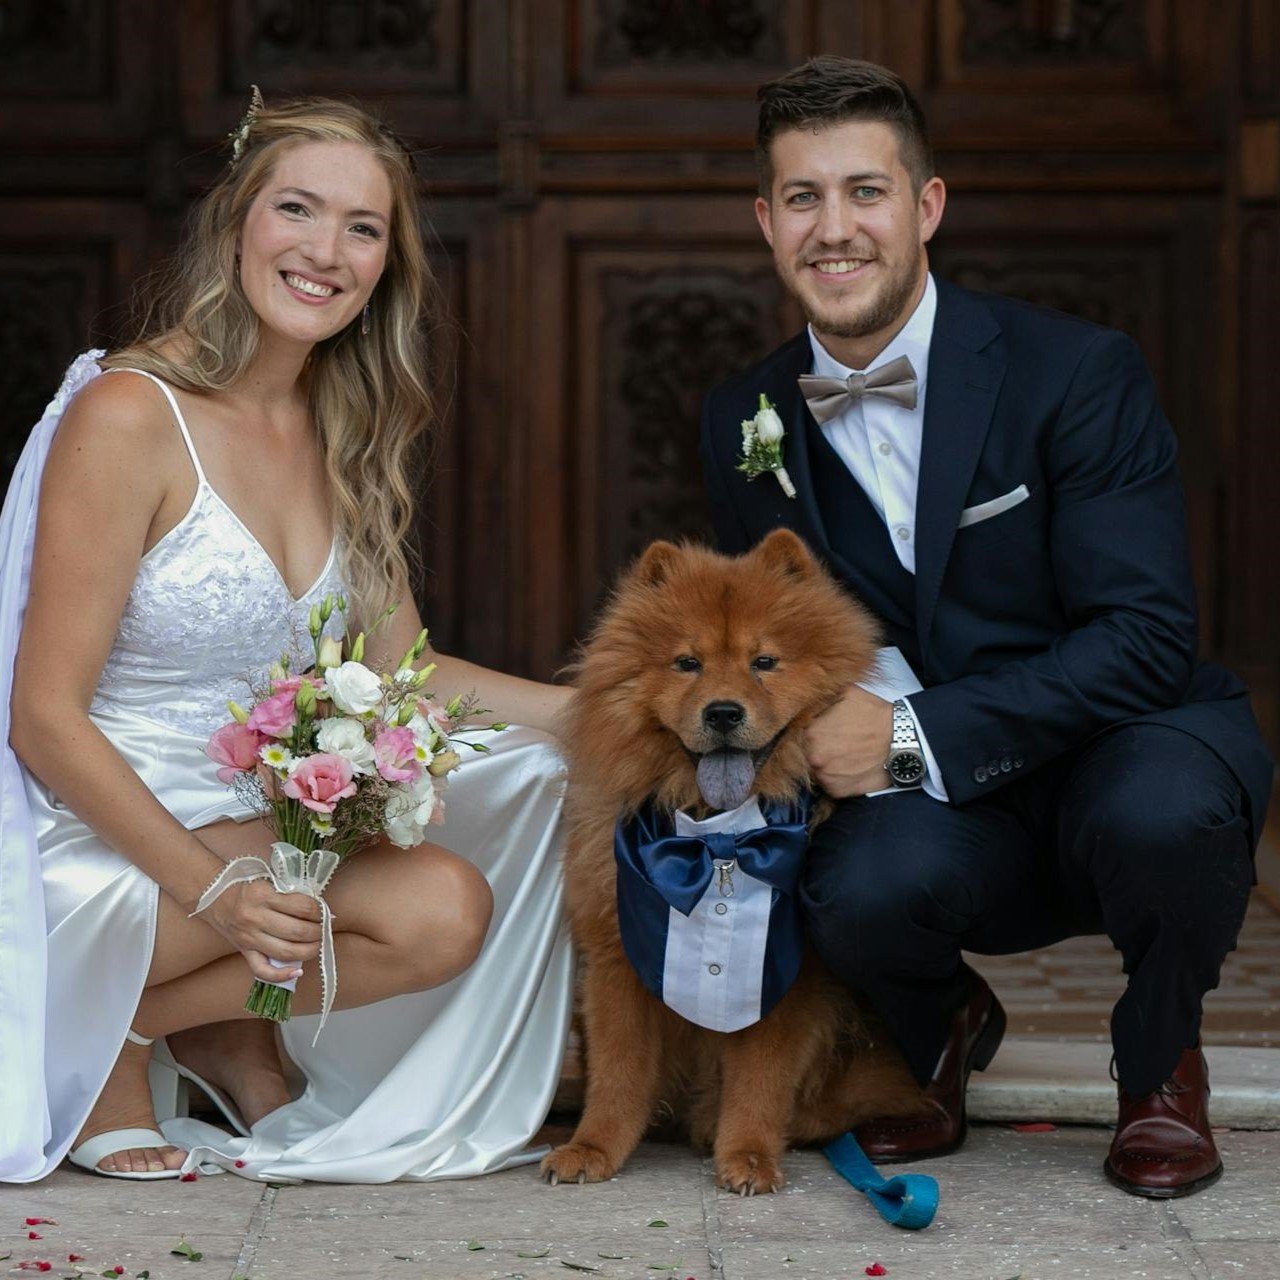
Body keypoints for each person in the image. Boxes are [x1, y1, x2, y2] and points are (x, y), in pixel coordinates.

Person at [699, 56, 1273, 1198]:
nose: (834, 228)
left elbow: (1146, 636)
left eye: (865, 191)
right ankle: (941, 1024)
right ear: (766, 221)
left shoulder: (1072, 372)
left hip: (1117, 752)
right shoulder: (744, 416)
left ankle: (1160, 1060)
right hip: (940, 818)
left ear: (926, 206)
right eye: (802, 198)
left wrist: (911, 738)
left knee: (1168, 807)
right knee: (846, 884)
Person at [0, 94, 574, 1184]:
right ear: (234, 224)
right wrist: (213, 890)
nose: (326, 251)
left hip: (250, 832)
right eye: (297, 210)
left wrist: (599, 716)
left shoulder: (341, 433)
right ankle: (106, 1035)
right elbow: (43, 717)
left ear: (386, 265)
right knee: (281, 880)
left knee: (444, 908)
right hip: (98, 841)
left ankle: (147, 1023)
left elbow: (408, 674)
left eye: (362, 228)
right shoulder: (129, 413)